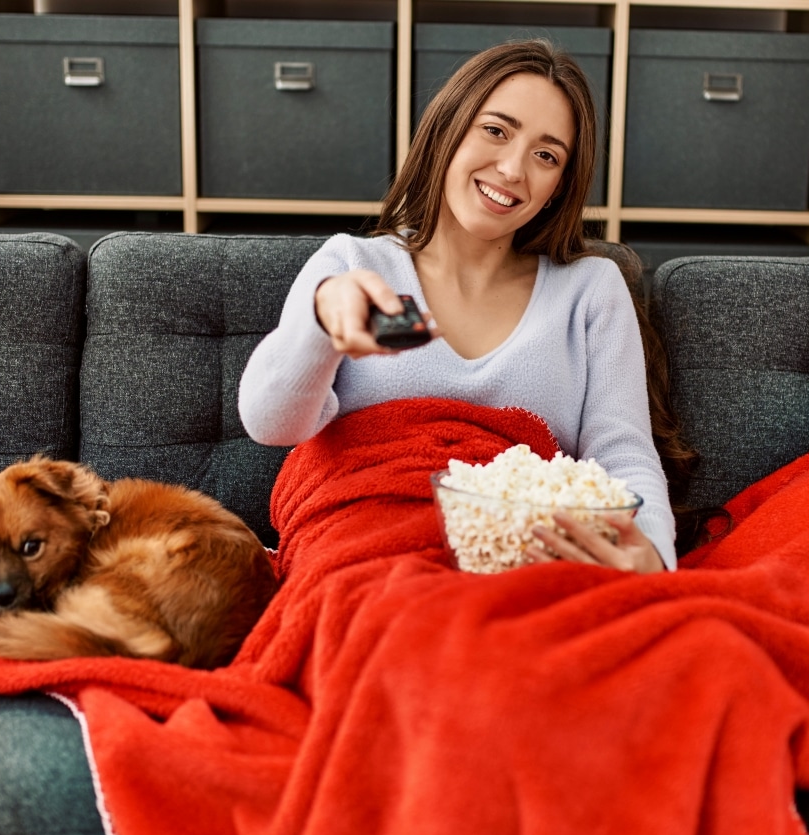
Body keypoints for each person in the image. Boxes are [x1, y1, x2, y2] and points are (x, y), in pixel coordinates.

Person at [238, 39, 675, 573]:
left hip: (521, 556)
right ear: (448, 128)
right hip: (366, 554)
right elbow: (270, 425)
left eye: (546, 155)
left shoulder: (589, 289)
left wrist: (652, 558)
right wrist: (319, 321)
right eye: (496, 130)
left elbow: (622, 452)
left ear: (560, 186)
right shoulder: (354, 266)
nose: (513, 169)